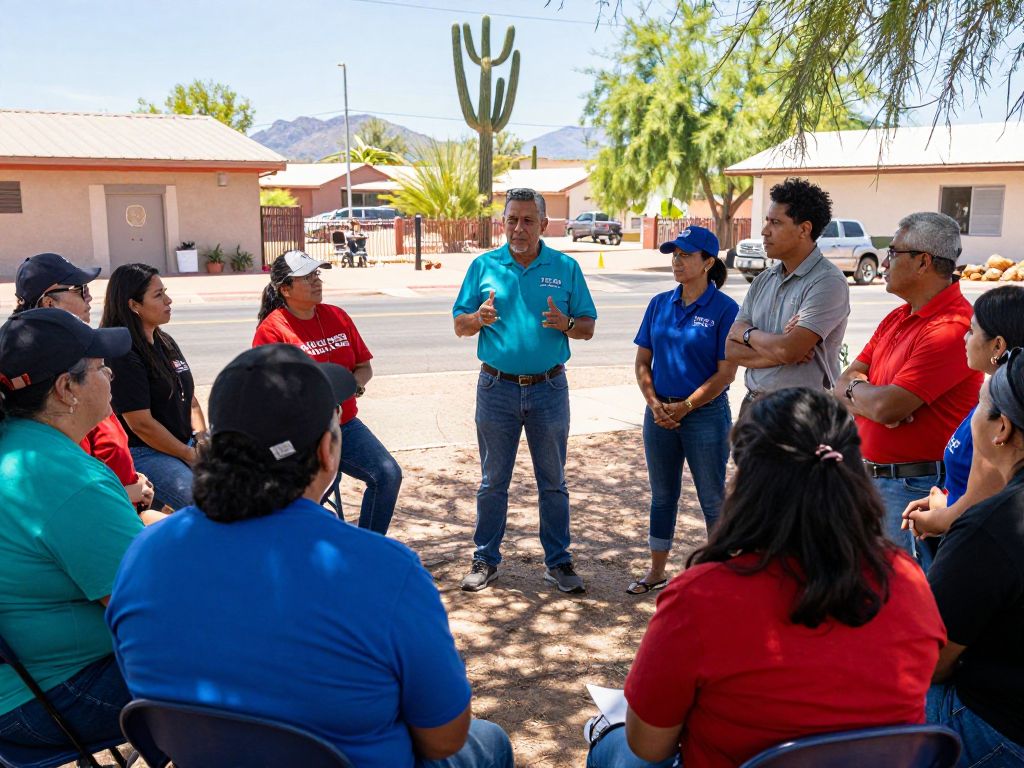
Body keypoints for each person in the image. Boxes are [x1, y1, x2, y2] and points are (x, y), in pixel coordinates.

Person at [106, 344, 514, 768]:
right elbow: (444, 738)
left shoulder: (143, 554)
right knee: (491, 741)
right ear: (327, 450)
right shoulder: (385, 570)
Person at [586, 388, 945, 768]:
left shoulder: (701, 597)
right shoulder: (905, 577)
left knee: (610, 744)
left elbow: (649, 746)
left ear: (748, 483)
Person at [0, 309, 143, 749]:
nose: (111, 375)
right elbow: (150, 608)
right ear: (66, 389)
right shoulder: (66, 480)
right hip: (47, 700)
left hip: (29, 683)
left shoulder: (18, 443)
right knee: (241, 655)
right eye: (100, 368)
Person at [452, 187, 597, 593]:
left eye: (528, 220)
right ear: (504, 223)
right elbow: (459, 325)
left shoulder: (565, 267)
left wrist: (566, 323)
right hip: (495, 387)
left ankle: (558, 562)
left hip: (549, 388)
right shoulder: (483, 266)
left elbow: (587, 327)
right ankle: (485, 559)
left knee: (553, 481)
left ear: (543, 225)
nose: (519, 228)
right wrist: (477, 318)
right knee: (492, 481)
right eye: (512, 219)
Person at [834, 212, 982, 570]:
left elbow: (887, 408)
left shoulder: (953, 327)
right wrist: (866, 393)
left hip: (914, 490)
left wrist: (868, 398)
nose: (883, 261)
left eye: (893, 252)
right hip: (874, 481)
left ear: (922, 262)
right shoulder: (898, 317)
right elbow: (843, 382)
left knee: (907, 598)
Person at [253, 250, 401, 534]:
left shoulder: (337, 316)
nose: (316, 281)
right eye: (306, 277)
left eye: (317, 275)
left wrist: (352, 387)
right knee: (311, 501)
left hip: (344, 424)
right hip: (300, 433)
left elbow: (364, 367)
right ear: (285, 289)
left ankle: (364, 548)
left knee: (387, 474)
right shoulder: (272, 330)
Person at [926, 348, 1024, 765]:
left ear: (1001, 427)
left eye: (978, 408)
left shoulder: (992, 527)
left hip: (998, 727)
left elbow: (931, 661)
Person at [628, 226, 738, 595]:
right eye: (674, 254)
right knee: (662, 495)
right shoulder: (659, 303)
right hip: (658, 414)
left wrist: (687, 406)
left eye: (686, 255)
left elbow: (726, 373)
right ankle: (657, 571)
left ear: (708, 262)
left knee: (711, 496)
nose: (677, 261)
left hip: (705, 415)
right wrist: (655, 403)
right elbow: (643, 360)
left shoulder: (726, 309)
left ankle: (720, 577)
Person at [14, 252, 156, 515]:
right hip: (101, 507)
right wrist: (122, 491)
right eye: (80, 290)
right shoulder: (51, 367)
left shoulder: (74, 351)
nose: (89, 296)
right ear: (48, 303)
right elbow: (64, 480)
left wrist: (128, 478)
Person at [904, 285, 1024, 538]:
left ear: (998, 345)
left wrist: (935, 517)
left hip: (978, 546)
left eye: (971, 331)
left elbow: (977, 507)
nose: (964, 339)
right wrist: (944, 501)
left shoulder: (1001, 410)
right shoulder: (993, 394)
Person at [725, 178, 850, 420]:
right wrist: (780, 351)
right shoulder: (764, 279)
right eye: (767, 221)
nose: (765, 231)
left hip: (799, 414)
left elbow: (790, 349)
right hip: (753, 405)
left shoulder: (827, 282)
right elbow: (730, 349)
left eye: (776, 223)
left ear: (804, 229)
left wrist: (747, 334)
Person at [101, 263, 207, 511]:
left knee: (244, 483)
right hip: (147, 452)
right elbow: (141, 424)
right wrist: (189, 454)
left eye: (165, 292)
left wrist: (201, 439)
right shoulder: (123, 353)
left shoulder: (164, 340)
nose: (168, 300)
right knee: (207, 503)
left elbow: (190, 399)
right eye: (158, 295)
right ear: (134, 305)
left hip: (185, 445)